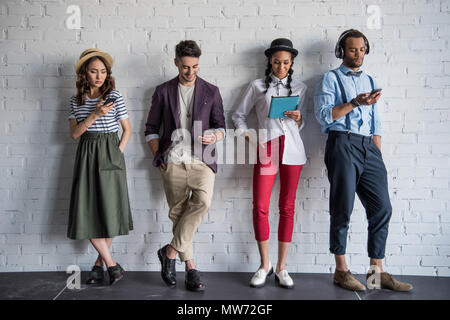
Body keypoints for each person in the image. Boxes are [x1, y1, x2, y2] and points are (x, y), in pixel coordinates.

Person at [314, 29, 413, 292]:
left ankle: (376, 272)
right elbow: (324, 116)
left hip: (369, 147)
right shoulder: (330, 79)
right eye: (352, 49)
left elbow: (376, 123)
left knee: (382, 208)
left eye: (361, 49)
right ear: (341, 52)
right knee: (342, 208)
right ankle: (341, 270)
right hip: (342, 142)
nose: (358, 54)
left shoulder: (370, 80)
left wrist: (376, 153)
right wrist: (354, 103)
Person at [145, 40, 226, 292]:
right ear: (176, 63)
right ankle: (191, 268)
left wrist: (215, 136)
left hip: (202, 161)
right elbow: (150, 128)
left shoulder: (211, 91)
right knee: (178, 214)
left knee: (203, 203)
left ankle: (169, 252)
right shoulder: (162, 91)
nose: (190, 72)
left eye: (195, 67)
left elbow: (221, 126)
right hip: (173, 162)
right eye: (185, 67)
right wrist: (159, 156)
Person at [232, 38, 307, 289]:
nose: (281, 66)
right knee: (260, 207)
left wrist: (298, 119)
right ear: (269, 61)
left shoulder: (300, 87)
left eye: (286, 62)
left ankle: (282, 267)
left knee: (287, 207)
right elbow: (238, 116)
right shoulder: (256, 86)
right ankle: (265, 265)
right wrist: (252, 139)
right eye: (277, 62)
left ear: (292, 62)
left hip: (293, 151)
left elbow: (301, 124)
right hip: (268, 149)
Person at [67, 49, 133, 286]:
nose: (99, 76)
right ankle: (111, 265)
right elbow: (75, 134)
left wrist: (117, 153)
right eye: (94, 71)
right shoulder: (76, 100)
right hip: (86, 152)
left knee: (110, 209)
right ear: (85, 73)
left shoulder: (114, 96)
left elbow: (127, 129)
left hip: (110, 151)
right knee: (87, 208)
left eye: (103, 71)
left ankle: (98, 265)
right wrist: (94, 114)